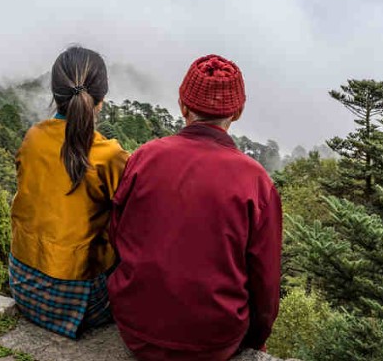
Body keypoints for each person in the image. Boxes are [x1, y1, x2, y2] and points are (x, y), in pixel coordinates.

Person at [108, 54, 282, 360]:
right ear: (237, 111)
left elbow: (116, 234)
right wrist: (257, 338)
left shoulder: (144, 158)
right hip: (213, 343)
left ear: (182, 105)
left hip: (136, 329)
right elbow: (265, 282)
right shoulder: (256, 182)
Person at [9, 46, 129, 338]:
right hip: (80, 301)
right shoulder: (109, 155)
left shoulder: (33, 137)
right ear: (100, 101)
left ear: (55, 92)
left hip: (23, 285)